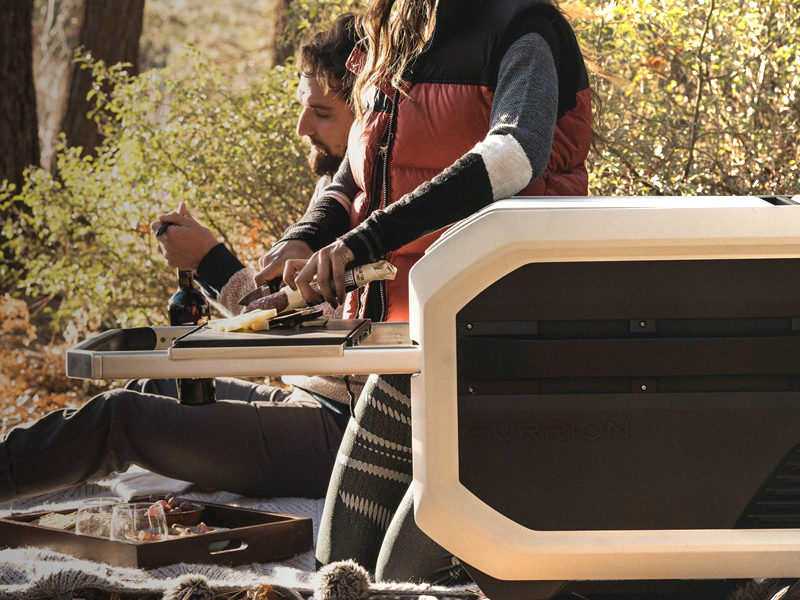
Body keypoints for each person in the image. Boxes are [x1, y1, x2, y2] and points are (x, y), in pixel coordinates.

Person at [252, 0, 592, 584]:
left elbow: (514, 156)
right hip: (411, 350)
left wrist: (362, 242)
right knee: (339, 564)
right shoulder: (391, 33)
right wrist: (306, 236)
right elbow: (354, 171)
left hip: (502, 351)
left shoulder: (525, 28)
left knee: (396, 577)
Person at [0, 14, 359, 504]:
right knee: (153, 388)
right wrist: (208, 263)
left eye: (321, 113)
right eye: (302, 107)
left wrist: (211, 261)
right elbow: (283, 308)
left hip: (340, 430)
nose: (302, 127)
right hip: (307, 398)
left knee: (119, 418)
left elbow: (300, 327)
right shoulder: (332, 188)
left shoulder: (375, 205)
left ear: (369, 117)